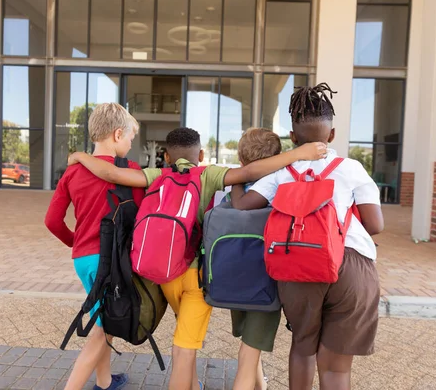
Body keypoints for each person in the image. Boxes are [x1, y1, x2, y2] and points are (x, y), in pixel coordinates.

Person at [68, 127, 328, 390]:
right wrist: (300, 153)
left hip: (165, 275)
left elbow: (112, 173)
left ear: (166, 157)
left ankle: (194, 384)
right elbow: (251, 172)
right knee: (184, 350)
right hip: (196, 278)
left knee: (185, 337)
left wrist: (80, 155)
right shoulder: (208, 174)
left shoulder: (157, 174)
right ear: (201, 154)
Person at [230, 83, 384, 390]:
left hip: (297, 263)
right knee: (337, 368)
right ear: (332, 134)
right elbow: (375, 224)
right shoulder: (352, 169)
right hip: (350, 266)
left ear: (292, 138)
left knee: (303, 347)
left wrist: (240, 175)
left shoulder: (282, 172)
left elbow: (242, 206)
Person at [45, 103, 144, 390]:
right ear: (116, 135)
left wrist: (77, 243)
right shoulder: (133, 172)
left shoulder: (73, 172)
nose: (129, 144)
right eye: (129, 138)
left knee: (104, 316)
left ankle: (105, 381)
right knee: (102, 329)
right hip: (112, 261)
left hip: (83, 259)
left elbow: (52, 220)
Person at [220, 128, 283, 390]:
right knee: (249, 351)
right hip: (265, 283)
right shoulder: (280, 187)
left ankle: (261, 385)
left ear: (241, 159)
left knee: (249, 342)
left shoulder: (232, 190)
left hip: (235, 279)